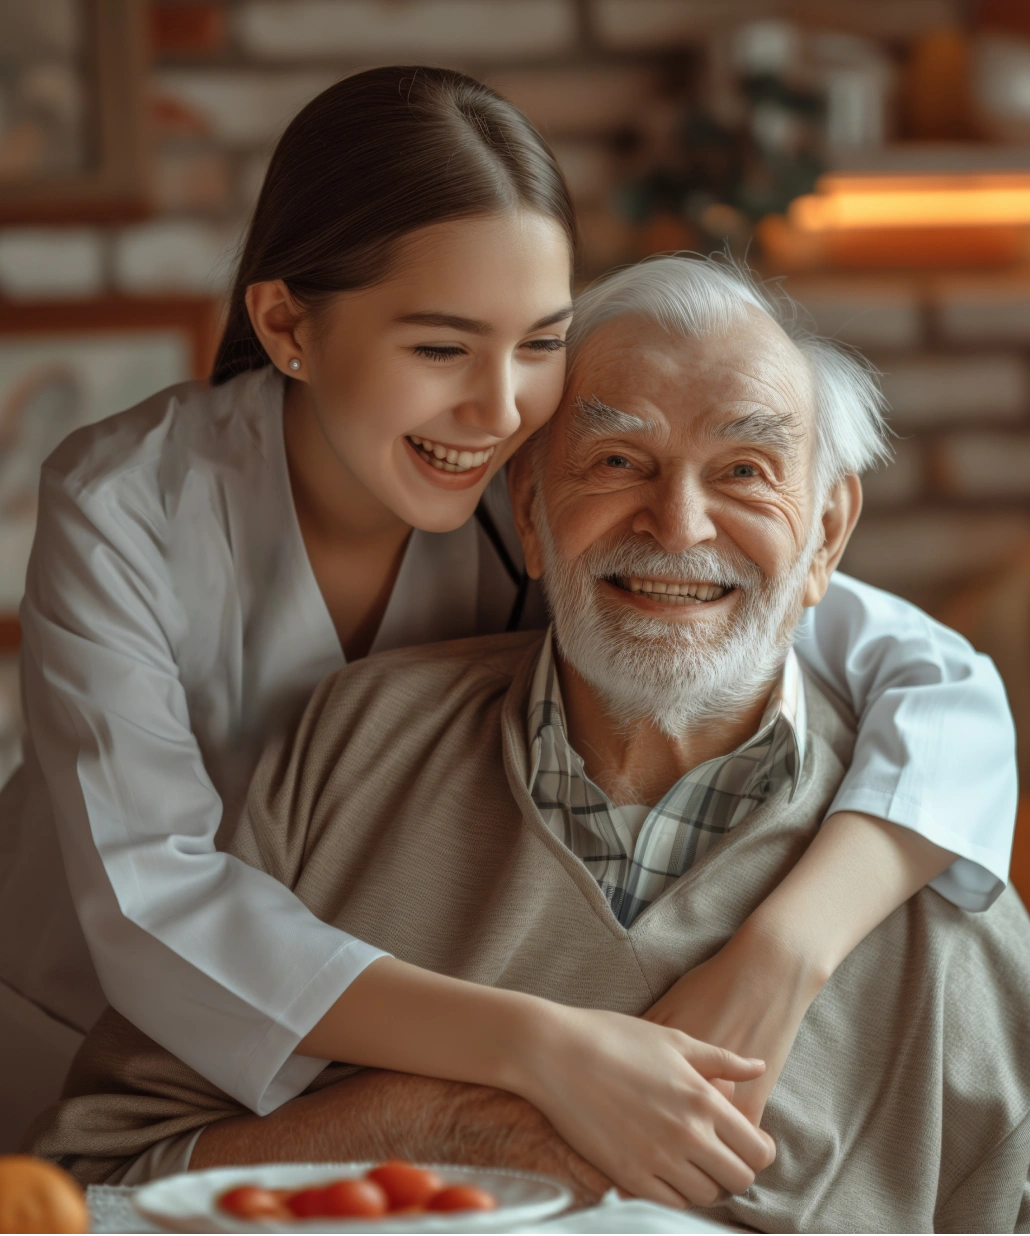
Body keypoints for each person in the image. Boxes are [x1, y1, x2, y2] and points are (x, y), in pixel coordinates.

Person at [0, 67, 1017, 1196]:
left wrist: (786, 949)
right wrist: (541, 1049)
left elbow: (931, 683)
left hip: (396, 1034)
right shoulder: (127, 506)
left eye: (540, 343)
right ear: (287, 323)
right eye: (440, 348)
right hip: (89, 1016)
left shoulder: (525, 478)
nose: (498, 408)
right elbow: (153, 903)